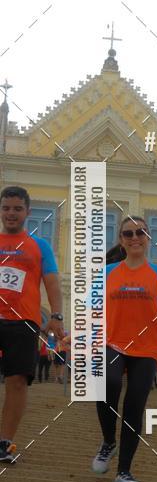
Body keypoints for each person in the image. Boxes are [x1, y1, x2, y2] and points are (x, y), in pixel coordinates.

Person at [90, 216, 157, 482]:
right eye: (128, 233)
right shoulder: (107, 272)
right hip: (112, 342)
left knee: (135, 405)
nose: (135, 237)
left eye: (140, 232)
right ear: (121, 240)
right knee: (107, 384)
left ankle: (124, 471)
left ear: (148, 238)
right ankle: (109, 442)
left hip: (146, 348)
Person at [0, 186, 64, 462]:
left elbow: (51, 282)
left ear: (27, 211)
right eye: (6, 208)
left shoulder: (40, 246)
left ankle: (4, 443)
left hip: (23, 321)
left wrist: (57, 315)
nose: (11, 213)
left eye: (17, 208)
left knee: (16, 382)